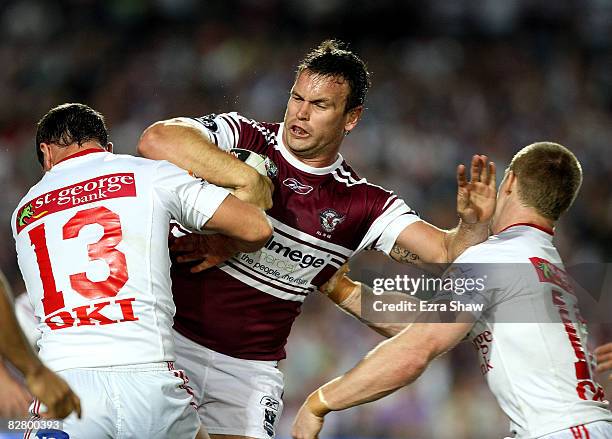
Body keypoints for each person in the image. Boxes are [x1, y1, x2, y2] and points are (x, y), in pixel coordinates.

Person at [137, 39, 496, 439]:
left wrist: (473, 225)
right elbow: (156, 140)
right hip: (168, 343)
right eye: (296, 98)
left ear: (351, 118)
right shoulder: (244, 138)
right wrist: (247, 182)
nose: (300, 114)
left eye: (320, 105)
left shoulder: (362, 204)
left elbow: (448, 253)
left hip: (248, 372)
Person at [292, 142, 612, 439]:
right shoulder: (541, 261)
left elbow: (417, 349)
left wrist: (321, 401)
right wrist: (343, 290)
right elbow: (427, 324)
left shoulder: (498, 257)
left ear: (510, 181)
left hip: (559, 430)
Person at [11, 103, 272, 438]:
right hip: (151, 381)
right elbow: (257, 229)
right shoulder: (150, 174)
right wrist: (221, 242)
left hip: (66, 383)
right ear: (107, 148)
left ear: (46, 154)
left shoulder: (23, 212)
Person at [0, 269, 81, 420]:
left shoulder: (85, 299)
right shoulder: (24, 308)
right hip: (36, 401)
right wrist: (3, 379)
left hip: (80, 393)